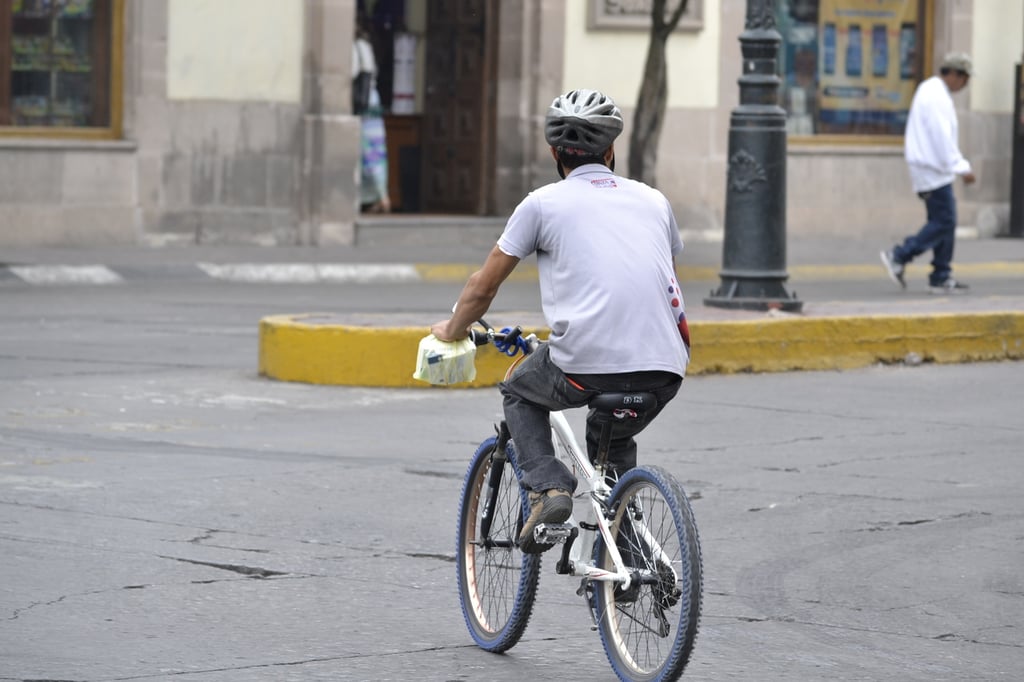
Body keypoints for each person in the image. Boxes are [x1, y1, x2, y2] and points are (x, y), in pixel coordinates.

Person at [430, 89, 691, 554]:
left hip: (584, 363)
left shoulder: (542, 203)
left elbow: (482, 288)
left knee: (520, 391)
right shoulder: (655, 201)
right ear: (611, 150)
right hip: (665, 365)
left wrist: (451, 330)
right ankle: (628, 554)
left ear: (554, 153)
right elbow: (651, 277)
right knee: (613, 437)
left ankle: (550, 489)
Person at [881, 52, 976, 294]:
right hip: (932, 169)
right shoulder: (936, 96)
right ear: (954, 75)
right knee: (944, 221)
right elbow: (941, 137)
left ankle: (941, 275)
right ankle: (900, 255)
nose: (965, 85)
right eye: (965, 79)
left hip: (932, 169)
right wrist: (962, 167)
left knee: (944, 221)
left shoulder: (933, 91)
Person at [353, 22, 391, 214]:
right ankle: (380, 196)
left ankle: (380, 197)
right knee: (376, 154)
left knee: (368, 155)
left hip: (364, 106)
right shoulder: (366, 46)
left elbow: (353, 72)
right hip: (372, 102)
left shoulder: (356, 47)